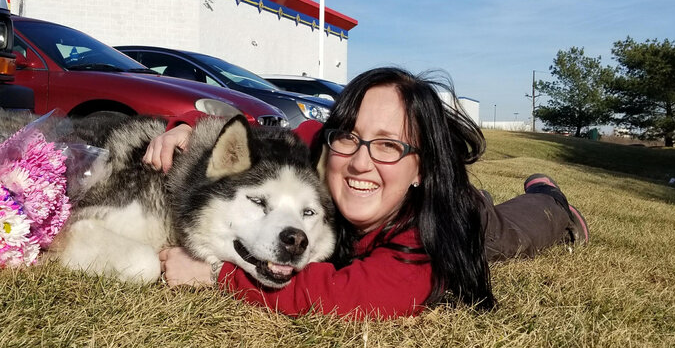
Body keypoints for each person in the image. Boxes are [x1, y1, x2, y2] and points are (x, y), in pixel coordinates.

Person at [150, 67, 590, 320]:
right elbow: (253, 128)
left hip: (461, 217)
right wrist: (188, 130)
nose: (360, 162)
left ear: (421, 166)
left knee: (519, 229)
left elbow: (346, 295)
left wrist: (217, 276)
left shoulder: (420, 247)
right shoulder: (325, 149)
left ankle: (553, 200)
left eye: (389, 145)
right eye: (352, 137)